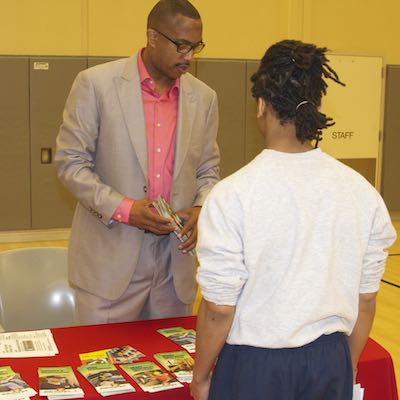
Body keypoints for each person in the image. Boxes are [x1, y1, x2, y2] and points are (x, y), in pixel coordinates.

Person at [191, 39, 397, 400]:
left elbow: (219, 310)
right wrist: (343, 367)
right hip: (330, 358)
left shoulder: (231, 195)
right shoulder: (362, 193)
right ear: (317, 105)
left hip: (253, 366)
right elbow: (365, 301)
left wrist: (200, 375)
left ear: (260, 105)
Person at [55, 0, 219, 324]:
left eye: (195, 47)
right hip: (109, 263)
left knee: (171, 370)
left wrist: (201, 209)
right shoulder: (96, 84)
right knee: (97, 366)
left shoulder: (204, 98)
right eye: (181, 45)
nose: (189, 57)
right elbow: (70, 163)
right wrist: (127, 209)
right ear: (152, 37)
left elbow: (208, 169)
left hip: (175, 269)